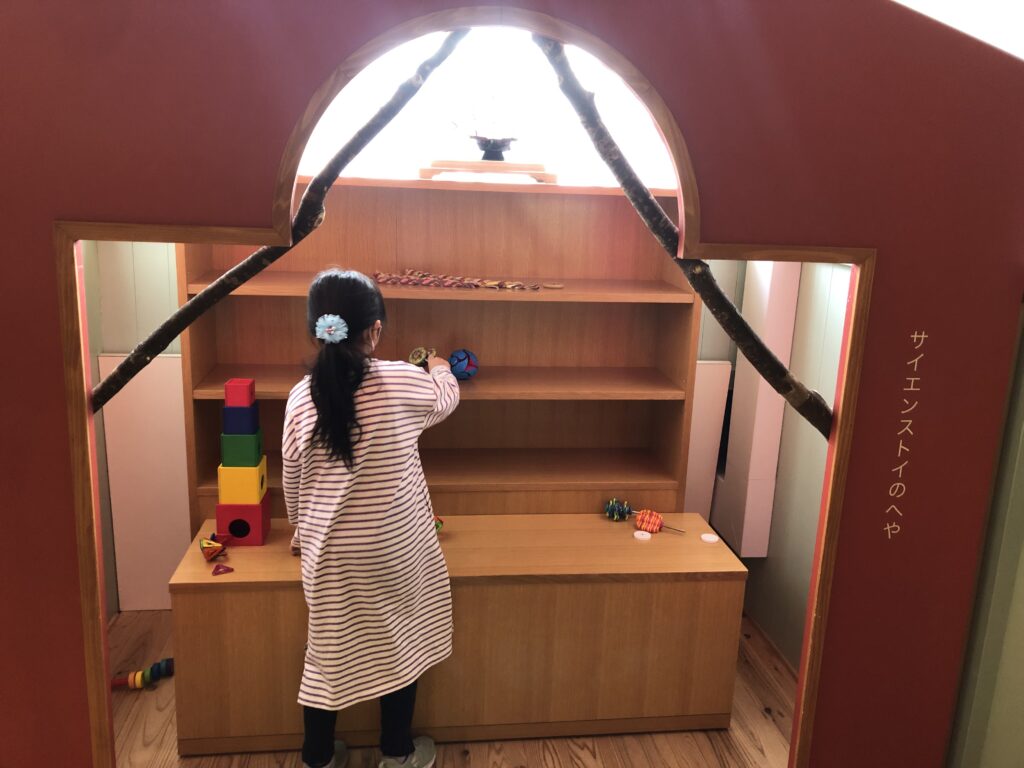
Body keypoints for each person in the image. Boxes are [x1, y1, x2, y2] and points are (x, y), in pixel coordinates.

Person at [283, 268, 459, 768]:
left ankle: (318, 757)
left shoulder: (300, 398)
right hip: (395, 550)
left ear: (315, 331)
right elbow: (446, 399)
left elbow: (293, 481)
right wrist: (441, 367)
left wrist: (301, 533)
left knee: (327, 654)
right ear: (375, 330)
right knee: (401, 643)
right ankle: (397, 754)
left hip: (331, 558)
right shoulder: (402, 381)